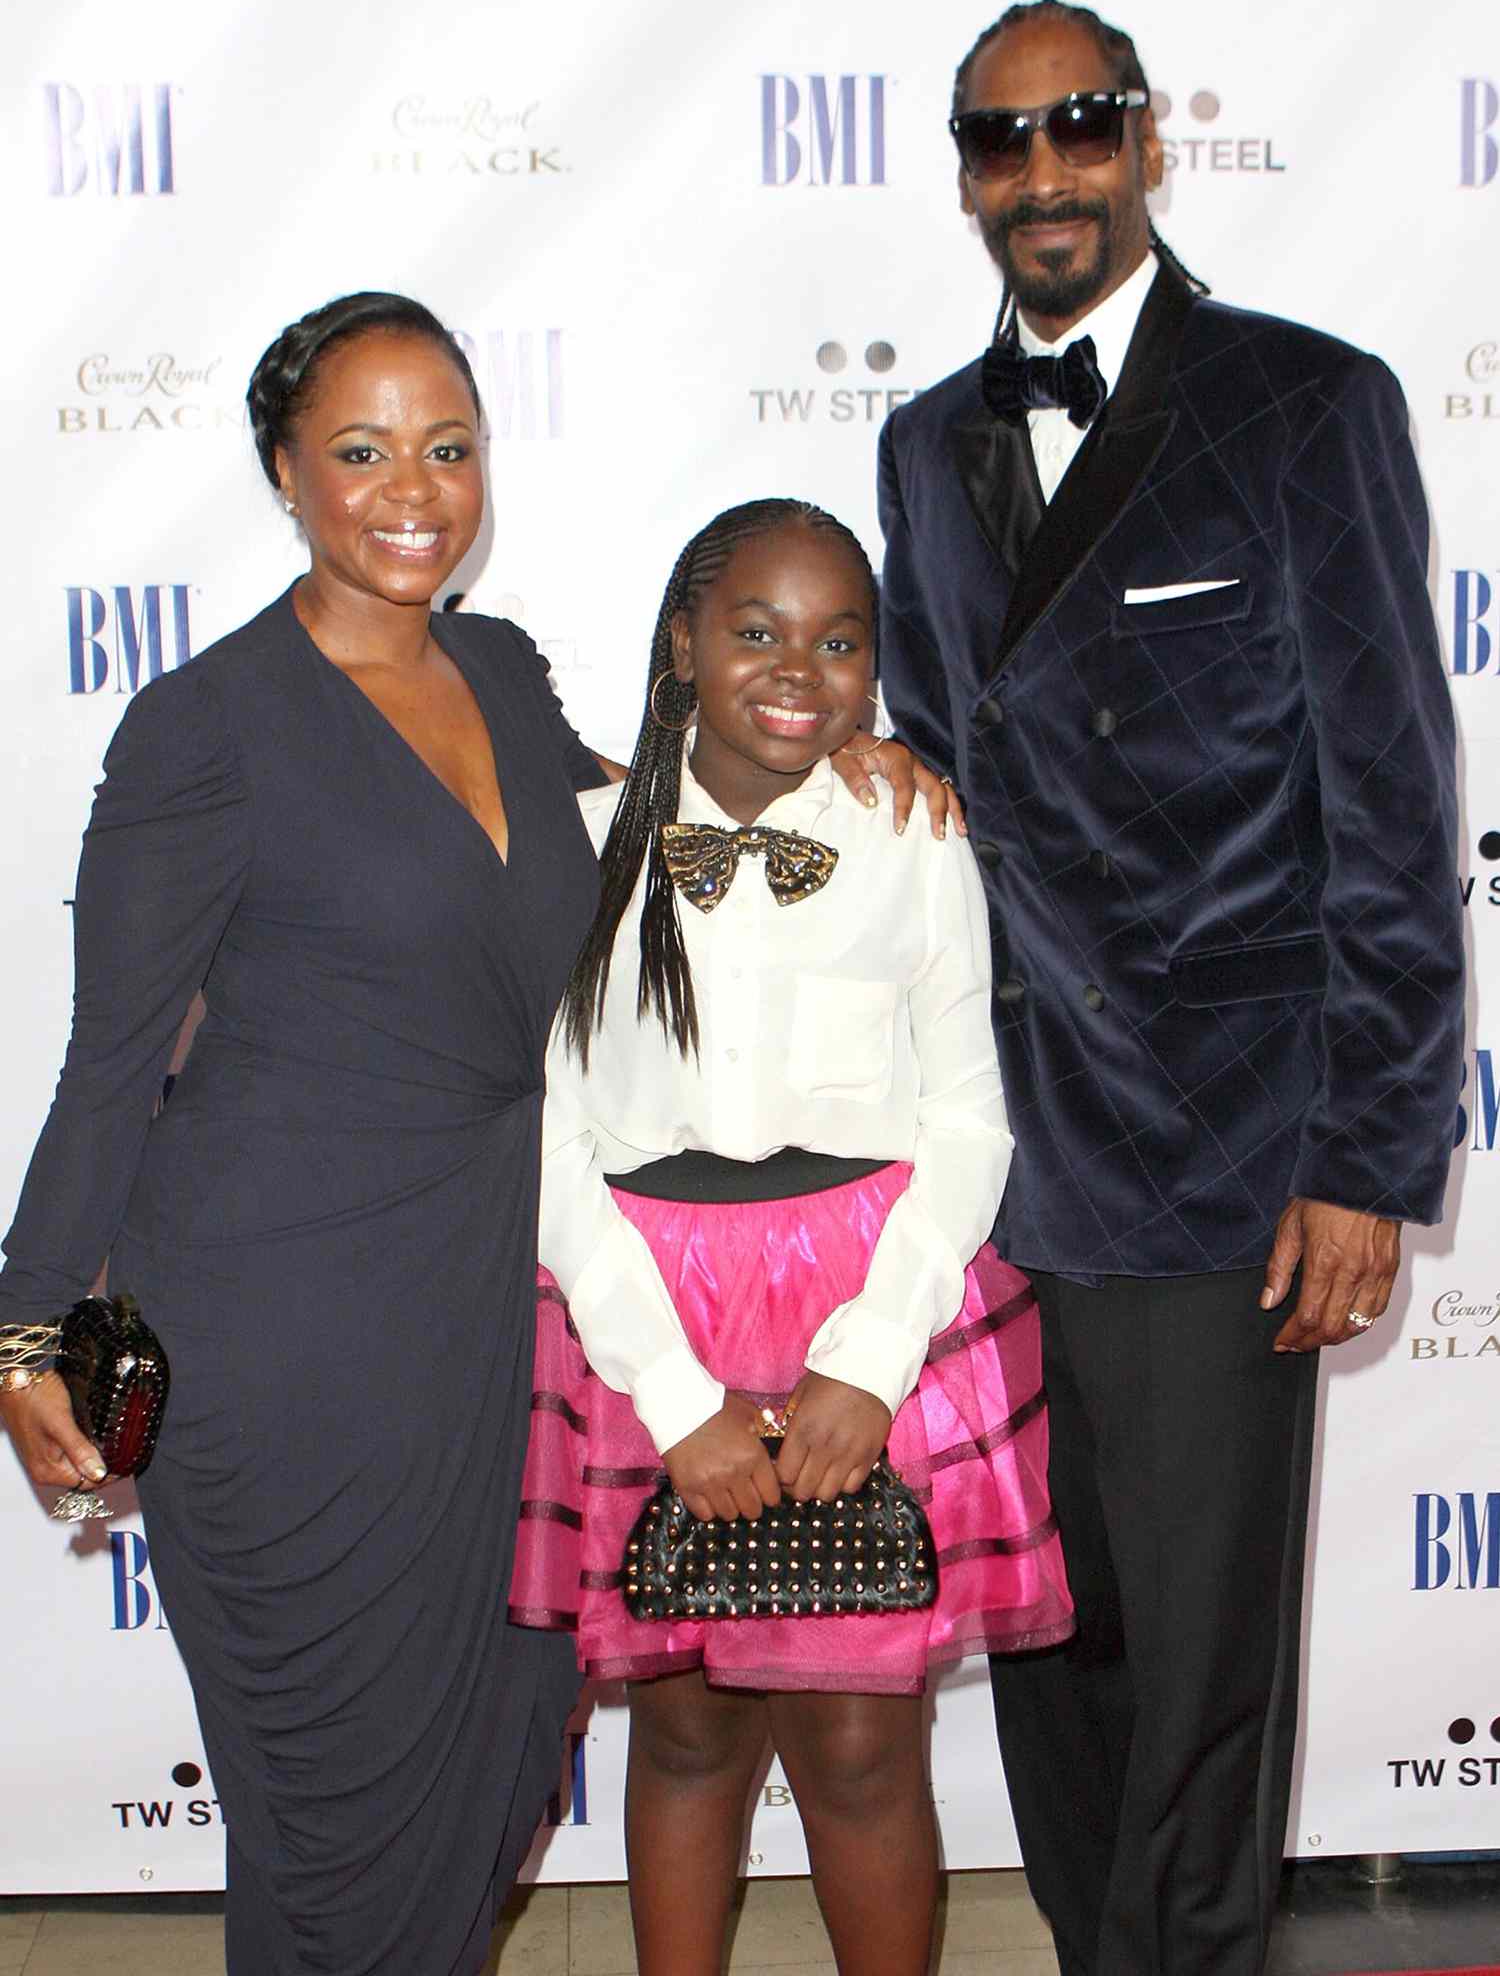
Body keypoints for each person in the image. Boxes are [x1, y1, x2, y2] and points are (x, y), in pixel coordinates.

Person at [875, 0, 1464, 1976]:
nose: (1042, 169)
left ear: (1147, 143)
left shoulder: (1305, 404)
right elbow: (943, 769)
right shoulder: (921, 444)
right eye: (1001, 139)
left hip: (1229, 1160)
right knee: (1059, 1645)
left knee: (1207, 1675)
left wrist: (1369, 1152)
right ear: (967, 173)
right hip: (1000, 1159)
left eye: (1080, 126)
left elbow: (1392, 804)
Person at [0, 290, 608, 1975]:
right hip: (286, 1346)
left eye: (448, 446)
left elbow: (644, 841)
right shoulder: (208, 726)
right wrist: (28, 1330)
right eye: (359, 450)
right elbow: (107, 1064)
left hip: (493, 1319)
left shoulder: (501, 667)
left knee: (496, 1761)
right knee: (343, 1828)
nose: (413, 487)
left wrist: (834, 768)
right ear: (284, 472)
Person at [508, 498, 1072, 1976]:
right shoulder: (582, 847)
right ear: (685, 642)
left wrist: (873, 1364)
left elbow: (967, 1118)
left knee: (861, 1745)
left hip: (869, 1302)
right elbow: (553, 1136)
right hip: (648, 1317)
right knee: (687, 1728)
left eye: (840, 642)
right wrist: (677, 1401)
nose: (797, 670)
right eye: (755, 630)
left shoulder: (910, 827)